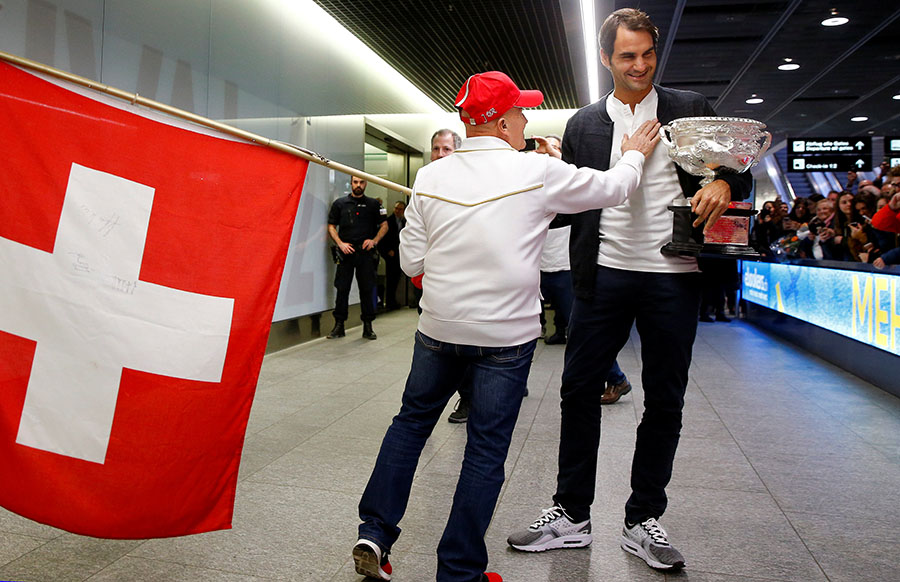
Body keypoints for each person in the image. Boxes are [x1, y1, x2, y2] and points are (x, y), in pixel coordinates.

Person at [352, 70, 660, 582]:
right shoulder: (536, 171)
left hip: (439, 330)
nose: (525, 120)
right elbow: (616, 189)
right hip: (505, 339)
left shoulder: (430, 177)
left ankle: (375, 532)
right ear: (497, 122)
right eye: (519, 112)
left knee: (409, 426)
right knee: (485, 448)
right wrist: (633, 151)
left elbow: (409, 266)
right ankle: (460, 572)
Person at [507, 8, 752, 571]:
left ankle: (644, 518)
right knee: (578, 390)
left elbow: (740, 169)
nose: (639, 65)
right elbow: (572, 200)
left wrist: (720, 179)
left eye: (647, 54)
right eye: (626, 56)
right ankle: (571, 513)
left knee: (665, 398)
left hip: (675, 275)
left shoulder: (689, 110)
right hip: (604, 272)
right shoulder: (586, 124)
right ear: (605, 59)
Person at [326, 175, 388, 340]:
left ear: (366, 183)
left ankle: (368, 327)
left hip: (365, 253)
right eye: (355, 182)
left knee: (367, 290)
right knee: (342, 289)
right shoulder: (340, 204)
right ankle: (339, 326)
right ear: (351, 183)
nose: (358, 185)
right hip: (346, 253)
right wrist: (340, 243)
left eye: (361, 182)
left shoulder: (374, 205)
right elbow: (331, 226)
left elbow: (384, 225)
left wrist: (374, 241)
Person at [378, 201, 407, 310]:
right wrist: (387, 251)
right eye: (396, 208)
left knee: (396, 279)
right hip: (391, 254)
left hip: (400, 254)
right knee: (390, 279)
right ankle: (389, 302)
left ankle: (393, 301)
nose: (397, 211)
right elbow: (382, 239)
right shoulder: (388, 222)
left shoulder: (404, 222)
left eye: (400, 209)